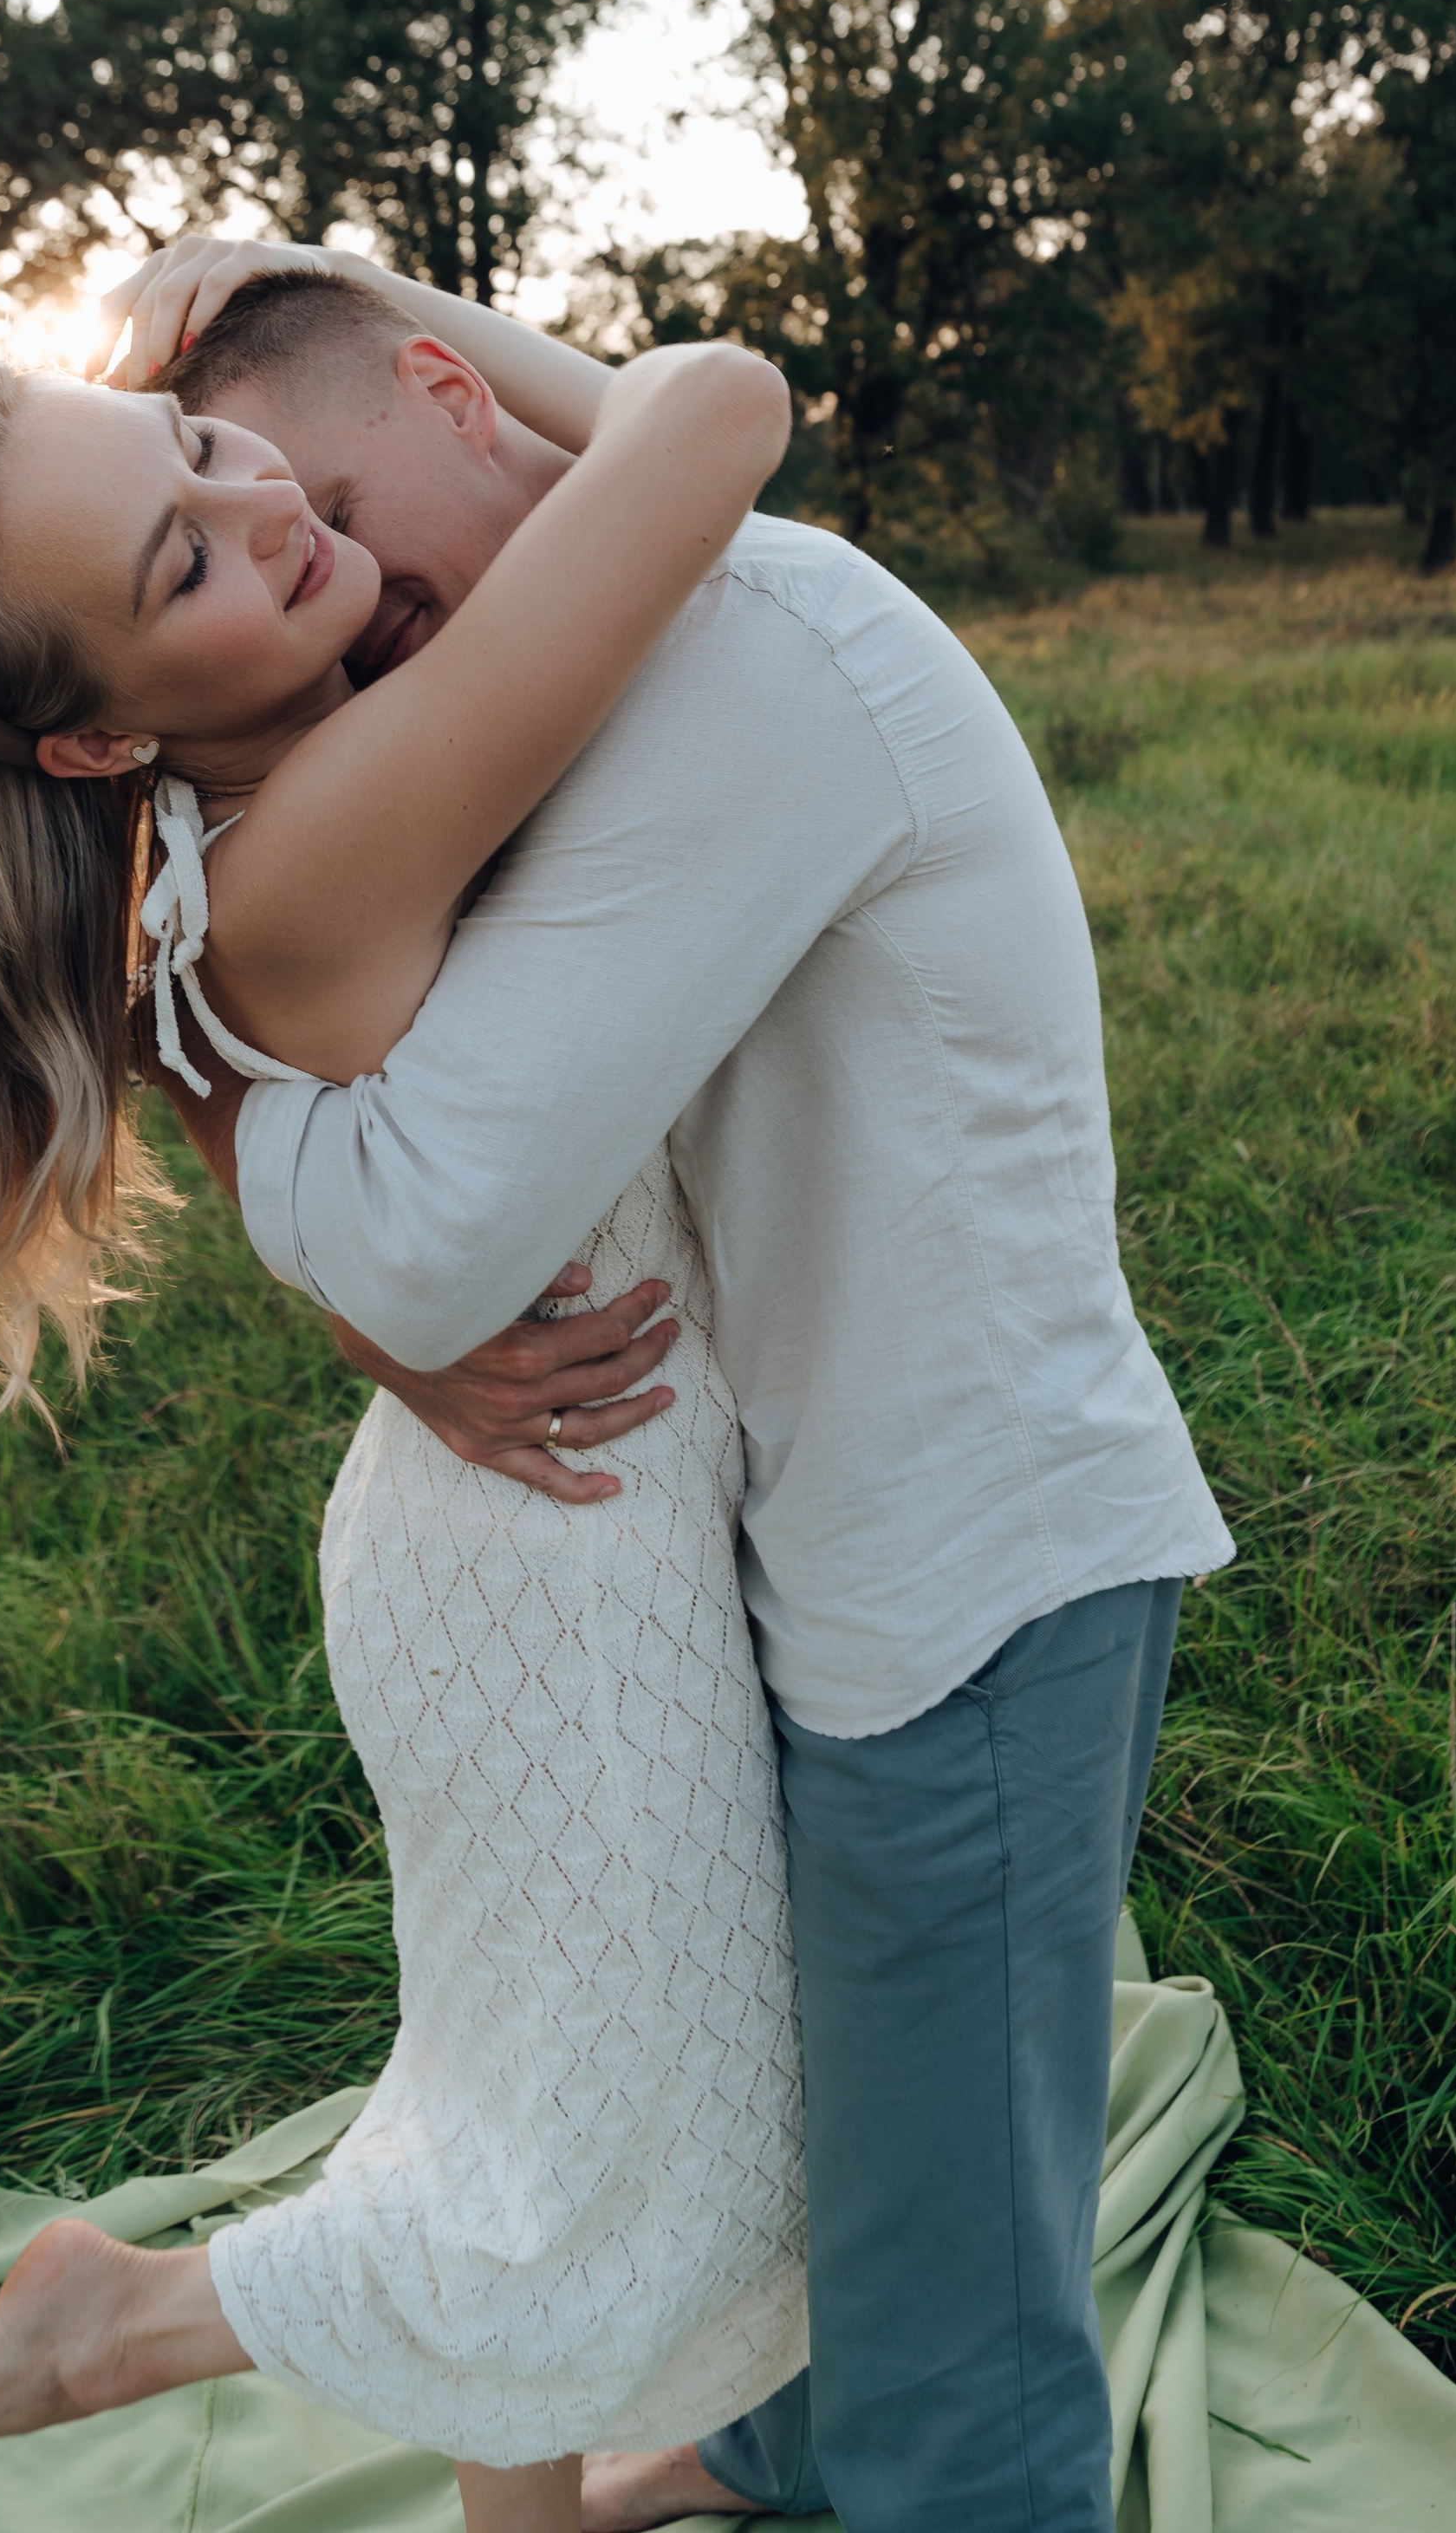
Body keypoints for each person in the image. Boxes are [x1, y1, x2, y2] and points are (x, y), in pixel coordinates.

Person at [108, 241, 1238, 2533]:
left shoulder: (748, 661)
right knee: (816, 2187)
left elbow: (429, 1217)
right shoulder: (579, 685)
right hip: (800, 1572)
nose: (331, 591)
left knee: (956, 2369)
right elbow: (333, 1085)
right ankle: (757, 2448)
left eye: (331, 497)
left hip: (970, 1590)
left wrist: (371, 1286)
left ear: (457, 393)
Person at [0, 319, 810, 2533]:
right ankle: (122, 2319)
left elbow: (267, 1125)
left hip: (492, 1517)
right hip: (564, 1558)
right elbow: (722, 412)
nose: (269, 507)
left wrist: (384, 1327)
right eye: (180, 557)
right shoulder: (354, 799)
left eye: (209, 442)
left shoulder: (205, 851)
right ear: (103, 723)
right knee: (657, 2152)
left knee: (534, 2086)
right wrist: (373, 302)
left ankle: (537, 2511)